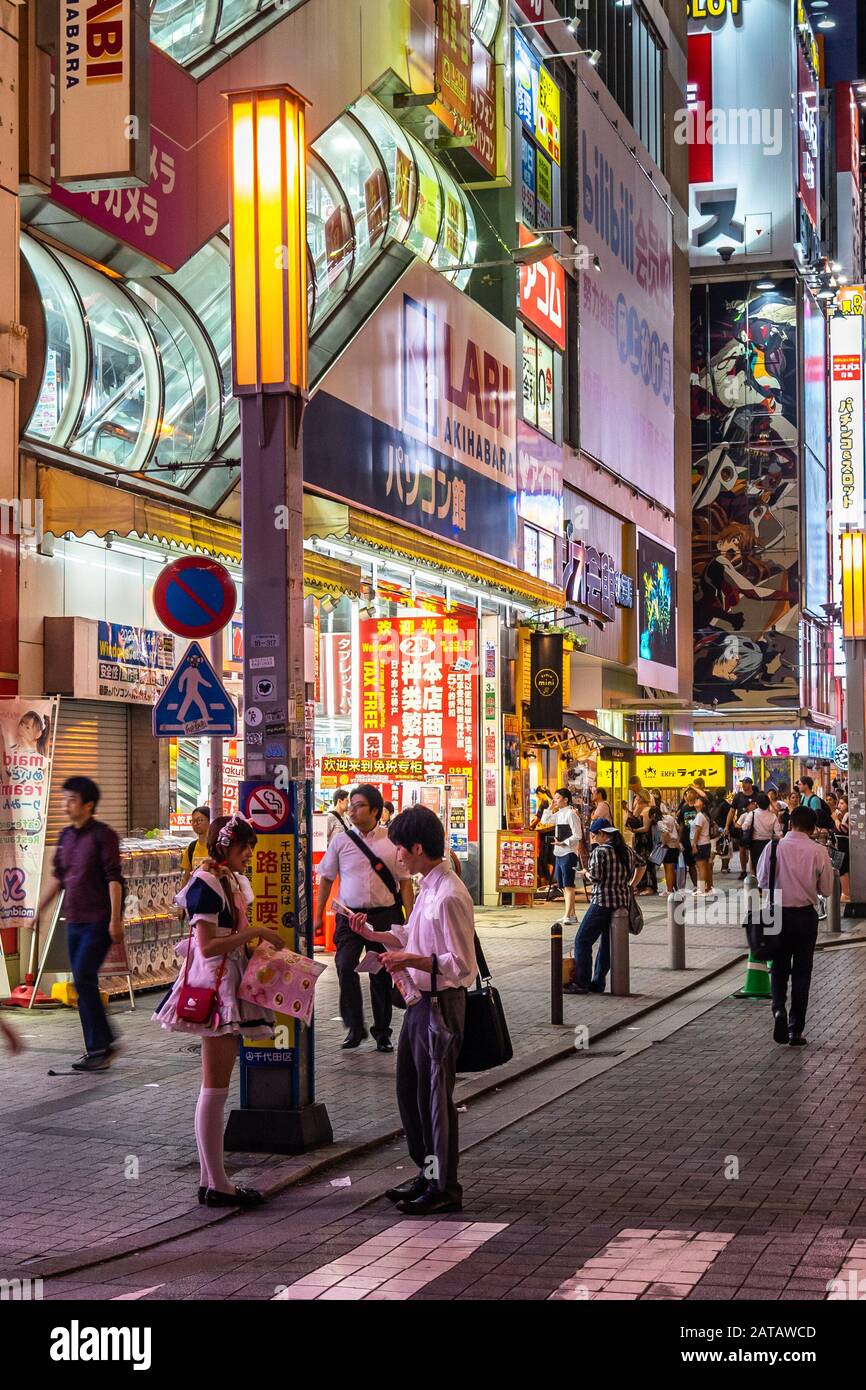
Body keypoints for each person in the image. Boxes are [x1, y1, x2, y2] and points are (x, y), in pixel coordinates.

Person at [348, 805, 476, 1215]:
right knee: (411, 1092)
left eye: (400, 848)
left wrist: (409, 961)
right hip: (420, 1004)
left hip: (440, 1004)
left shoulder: (451, 894)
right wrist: (375, 934)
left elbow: (460, 965)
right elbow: (412, 934)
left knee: (436, 1098)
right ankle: (427, 1172)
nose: (396, 855)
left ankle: (445, 1187)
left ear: (417, 848)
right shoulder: (429, 888)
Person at [153, 814, 282, 1207]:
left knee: (216, 1087)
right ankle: (217, 1183)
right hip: (215, 988)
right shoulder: (208, 883)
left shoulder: (226, 881)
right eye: (245, 849)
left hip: (225, 982)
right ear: (227, 847)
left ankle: (213, 1180)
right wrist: (257, 934)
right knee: (215, 1087)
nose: (249, 857)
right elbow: (208, 945)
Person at [315, 783, 414, 1052]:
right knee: (345, 965)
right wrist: (318, 916)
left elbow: (405, 882)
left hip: (384, 915)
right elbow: (326, 877)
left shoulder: (391, 841)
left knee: (381, 972)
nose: (352, 811)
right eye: (351, 805)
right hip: (349, 916)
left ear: (376, 811)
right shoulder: (341, 841)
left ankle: (382, 1033)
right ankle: (354, 1027)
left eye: (359, 806)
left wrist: (410, 919)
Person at [37, 777, 124, 1073]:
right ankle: (100, 1046)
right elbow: (60, 878)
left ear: (88, 805)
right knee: (83, 982)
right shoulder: (65, 837)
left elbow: (114, 879)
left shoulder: (104, 836)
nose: (66, 804)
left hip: (98, 921)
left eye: (72, 799)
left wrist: (115, 919)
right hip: (74, 921)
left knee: (84, 977)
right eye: (66, 798)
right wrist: (39, 911)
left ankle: (101, 1045)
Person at [757, 805, 832, 1046]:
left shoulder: (774, 846)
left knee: (778, 967)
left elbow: (761, 880)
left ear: (790, 824)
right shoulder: (818, 851)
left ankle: (778, 1008)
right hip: (805, 917)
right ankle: (794, 1030)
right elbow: (827, 890)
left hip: (776, 913)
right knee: (802, 973)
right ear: (813, 828)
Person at [565, 819, 640, 995]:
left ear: (603, 834)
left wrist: (586, 873)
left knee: (582, 941)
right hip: (621, 903)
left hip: (602, 902)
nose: (592, 838)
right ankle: (598, 982)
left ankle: (582, 982)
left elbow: (596, 877)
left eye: (594, 834)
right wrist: (632, 884)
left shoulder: (601, 851)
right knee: (607, 944)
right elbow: (642, 863)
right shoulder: (626, 850)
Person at [539, 788, 585, 925]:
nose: (555, 800)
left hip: (568, 853)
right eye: (554, 798)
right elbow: (544, 820)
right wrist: (550, 806)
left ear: (566, 799)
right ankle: (572, 914)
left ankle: (567, 915)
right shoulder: (559, 813)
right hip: (558, 853)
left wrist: (564, 842)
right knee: (563, 886)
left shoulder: (571, 814)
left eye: (558, 798)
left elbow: (578, 835)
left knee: (569, 885)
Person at [737, 791, 782, 873]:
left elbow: (744, 827)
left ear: (757, 804)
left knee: (756, 865)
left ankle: (759, 883)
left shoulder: (752, 814)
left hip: (755, 844)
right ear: (768, 804)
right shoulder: (773, 816)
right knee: (767, 865)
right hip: (769, 843)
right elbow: (779, 833)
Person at [725, 777, 755, 879]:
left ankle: (753, 871)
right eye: (743, 783)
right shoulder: (738, 796)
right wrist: (727, 826)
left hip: (755, 827)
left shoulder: (756, 795)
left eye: (746, 783)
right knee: (742, 849)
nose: (744, 785)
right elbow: (732, 811)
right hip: (741, 826)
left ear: (750, 784)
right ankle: (743, 870)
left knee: (753, 850)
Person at [651, 801, 682, 894]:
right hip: (675, 846)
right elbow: (678, 828)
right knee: (672, 869)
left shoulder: (660, 822)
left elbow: (665, 833)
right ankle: (672, 888)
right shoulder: (669, 817)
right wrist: (677, 839)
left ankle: (669, 890)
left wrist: (664, 843)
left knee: (668, 870)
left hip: (668, 847)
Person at [180, 805, 211, 888]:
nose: (195, 823)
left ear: (209, 821)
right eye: (193, 821)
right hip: (196, 896)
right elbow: (186, 878)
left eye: (200, 820)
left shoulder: (217, 847)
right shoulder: (191, 848)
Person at [676, 787, 700, 888]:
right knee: (685, 864)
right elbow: (681, 825)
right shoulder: (684, 808)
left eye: (691, 793)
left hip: (698, 839)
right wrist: (679, 840)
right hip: (686, 839)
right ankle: (682, 886)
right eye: (687, 793)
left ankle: (698, 885)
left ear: (696, 794)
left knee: (696, 865)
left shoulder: (698, 807)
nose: (689, 795)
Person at [690, 794, 714, 893]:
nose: (696, 801)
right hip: (705, 843)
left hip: (701, 843)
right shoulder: (704, 815)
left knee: (701, 867)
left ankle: (702, 889)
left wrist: (694, 844)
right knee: (705, 867)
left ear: (702, 804)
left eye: (698, 800)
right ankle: (708, 887)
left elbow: (698, 830)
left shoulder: (700, 815)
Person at [833, 796, 850, 902]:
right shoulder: (843, 816)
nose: (839, 805)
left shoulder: (848, 815)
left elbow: (843, 830)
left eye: (842, 803)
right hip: (840, 846)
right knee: (842, 869)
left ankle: (846, 893)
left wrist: (835, 820)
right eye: (839, 803)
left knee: (843, 869)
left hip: (843, 846)